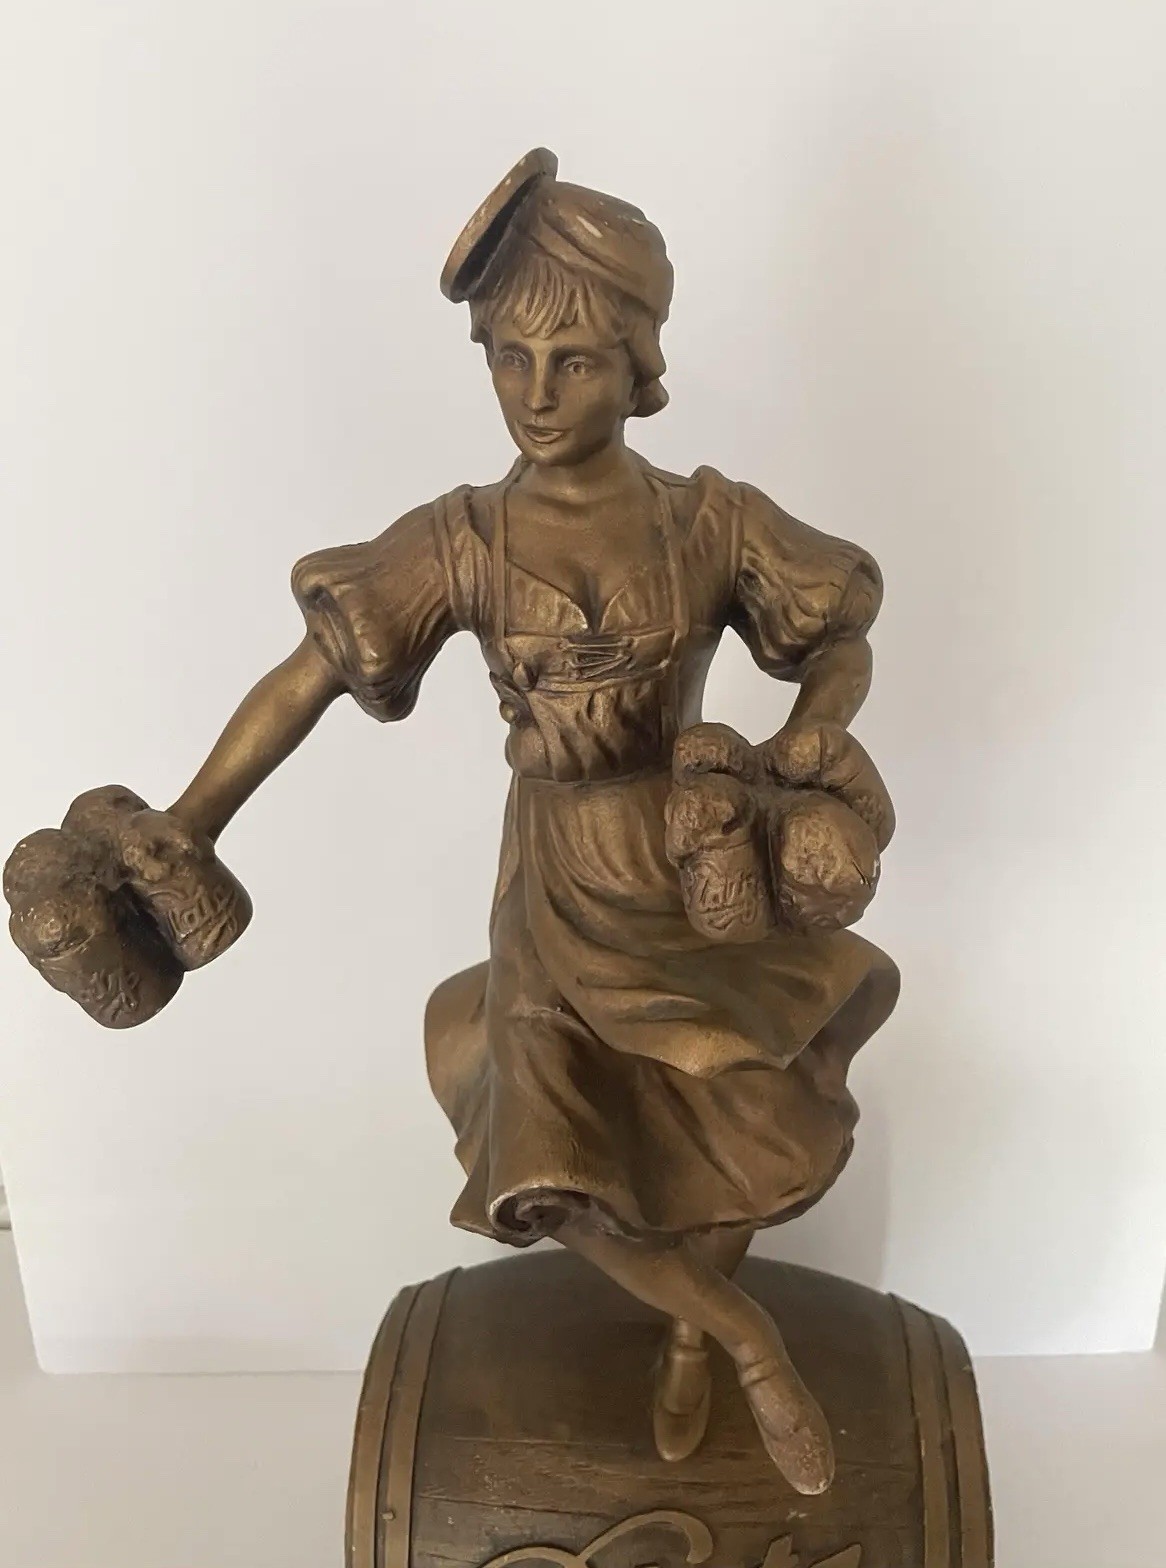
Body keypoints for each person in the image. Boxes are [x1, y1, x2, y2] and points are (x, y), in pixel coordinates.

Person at [6, 150, 898, 1496]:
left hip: (690, 858)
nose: (536, 394)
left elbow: (837, 630)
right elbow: (306, 676)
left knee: (735, 1105)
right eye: (509, 359)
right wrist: (193, 818)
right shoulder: (465, 540)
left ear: (639, 364)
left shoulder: (709, 522)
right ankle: (741, 1340)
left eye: (575, 362)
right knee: (548, 1156)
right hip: (552, 879)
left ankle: (687, 1326)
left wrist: (807, 741)